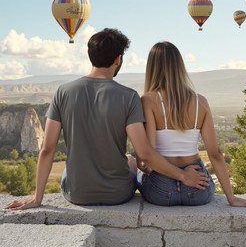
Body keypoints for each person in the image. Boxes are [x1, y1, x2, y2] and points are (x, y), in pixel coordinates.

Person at [5, 29, 209, 210]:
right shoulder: (128, 96)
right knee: (130, 160)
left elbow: (47, 149)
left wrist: (37, 197)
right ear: (118, 59)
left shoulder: (62, 92)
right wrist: (183, 176)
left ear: (90, 56)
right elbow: (145, 152)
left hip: (77, 195)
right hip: (118, 195)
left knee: (69, 167)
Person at [137, 41, 246, 208]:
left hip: (161, 190)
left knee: (135, 170)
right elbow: (215, 153)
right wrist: (232, 199)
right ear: (179, 66)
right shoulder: (200, 102)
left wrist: (142, 166)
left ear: (152, 67)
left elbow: (150, 153)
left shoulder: (148, 100)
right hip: (197, 188)